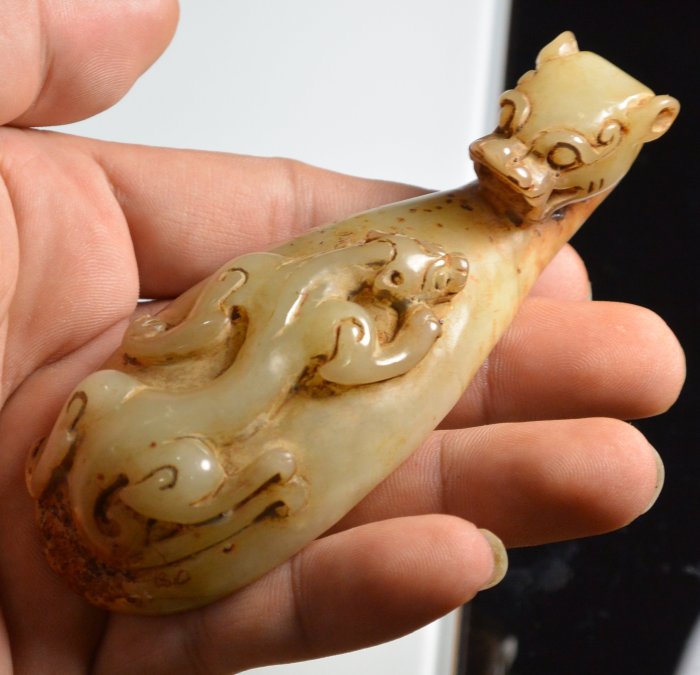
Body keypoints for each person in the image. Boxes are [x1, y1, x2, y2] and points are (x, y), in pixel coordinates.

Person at [0, 3, 685, 673]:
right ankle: (216, 514)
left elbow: (237, 303)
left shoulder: (293, 292)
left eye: (557, 153)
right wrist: (416, 329)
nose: (511, 155)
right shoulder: (338, 322)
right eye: (510, 121)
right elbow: (359, 361)